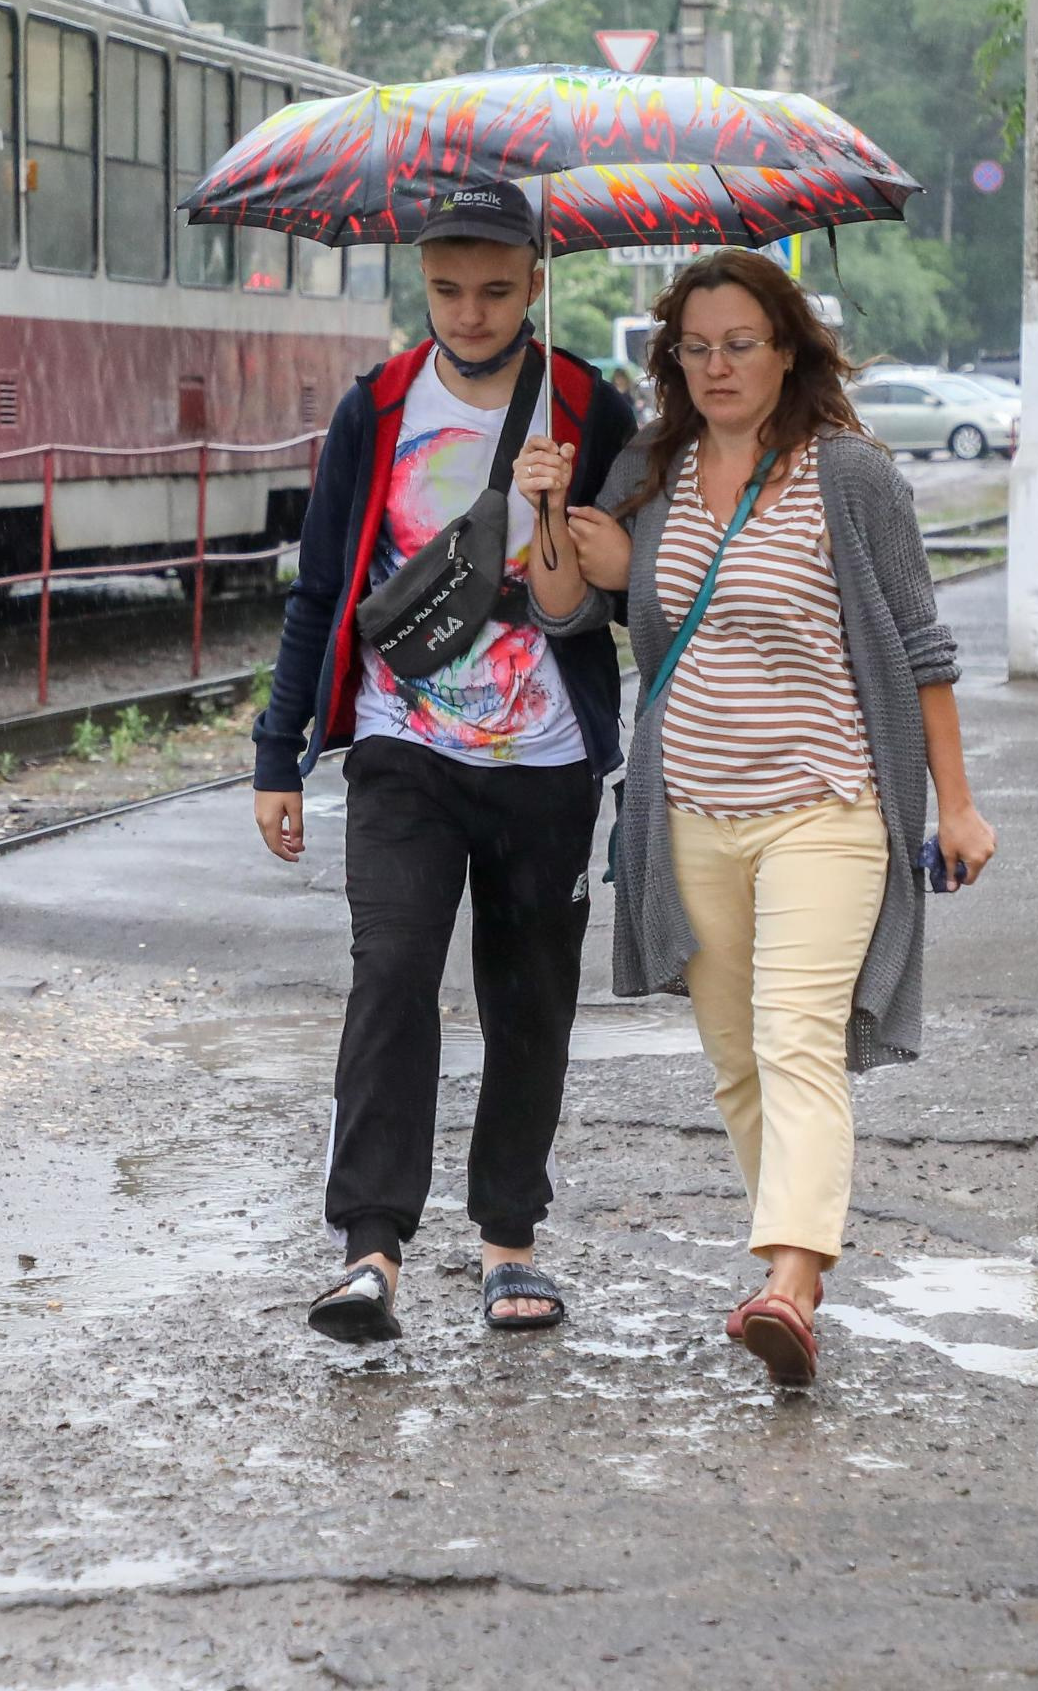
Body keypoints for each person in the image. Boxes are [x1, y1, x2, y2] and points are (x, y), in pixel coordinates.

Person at [536, 248, 997, 1387]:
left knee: (798, 1037)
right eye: (696, 347)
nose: (718, 364)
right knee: (739, 1061)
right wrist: (552, 513)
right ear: (672, 359)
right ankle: (793, 1268)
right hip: (690, 808)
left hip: (825, 805)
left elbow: (923, 649)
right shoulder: (653, 468)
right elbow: (562, 610)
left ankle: (789, 1280)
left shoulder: (852, 476)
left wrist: (959, 803)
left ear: (788, 347)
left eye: (741, 342)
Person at [250, 183, 640, 1343]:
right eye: (447, 290)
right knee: (393, 975)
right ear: (422, 281)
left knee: (530, 1000)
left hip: (547, 754)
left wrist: (565, 508)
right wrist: (280, 751)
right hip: (401, 744)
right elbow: (322, 588)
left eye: (495, 290)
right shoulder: (377, 406)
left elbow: (618, 595)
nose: (469, 314)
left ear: (535, 278)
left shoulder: (588, 405)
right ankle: (370, 1248)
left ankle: (509, 1242)